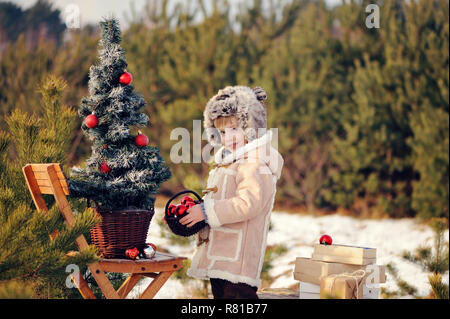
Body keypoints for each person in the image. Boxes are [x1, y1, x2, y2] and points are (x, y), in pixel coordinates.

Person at [180, 85, 284, 299]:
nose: (229, 137)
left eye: (235, 129)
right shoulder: (231, 162)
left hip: (238, 260)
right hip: (223, 252)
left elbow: (248, 203)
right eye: (223, 132)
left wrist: (207, 211)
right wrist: (198, 212)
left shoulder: (255, 164)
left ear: (251, 127)